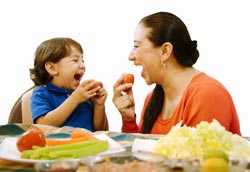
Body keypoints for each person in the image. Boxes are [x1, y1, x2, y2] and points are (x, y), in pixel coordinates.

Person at [112, 12, 241, 135]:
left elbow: (197, 157)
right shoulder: (152, 99)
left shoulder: (207, 94)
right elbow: (140, 153)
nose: (130, 56)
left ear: (165, 51)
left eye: (136, 46)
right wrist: (129, 120)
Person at [30, 37, 108, 131]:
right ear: (52, 68)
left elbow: (100, 130)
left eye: (82, 61)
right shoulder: (41, 93)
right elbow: (43, 125)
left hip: (87, 144)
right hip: (59, 145)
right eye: (75, 60)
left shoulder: (83, 95)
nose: (82, 66)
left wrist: (98, 105)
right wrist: (74, 99)